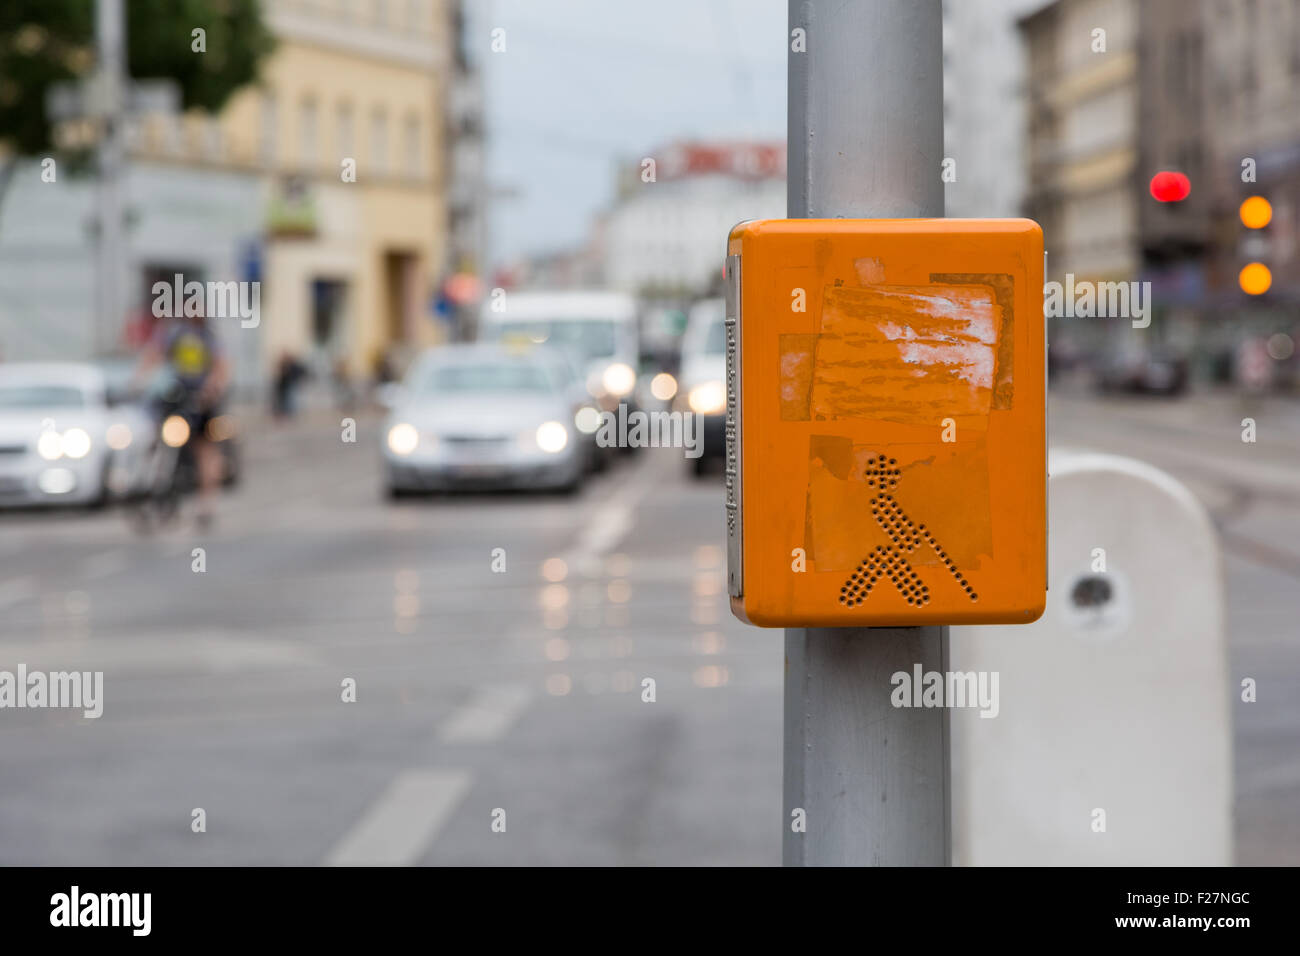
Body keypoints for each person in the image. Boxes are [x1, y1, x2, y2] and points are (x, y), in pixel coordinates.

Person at [132, 309, 231, 528]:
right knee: (158, 438)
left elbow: (220, 367)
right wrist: (139, 380)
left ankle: (206, 505)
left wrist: (212, 389)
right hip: (176, 399)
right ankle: (153, 483)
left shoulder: (207, 337)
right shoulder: (174, 333)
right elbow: (153, 356)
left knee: (205, 450)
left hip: (201, 402)